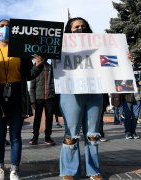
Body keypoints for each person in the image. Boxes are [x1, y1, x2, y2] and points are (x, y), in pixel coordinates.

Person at [0, 19, 34, 180]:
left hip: (17, 95)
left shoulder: (20, 49)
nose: (5, 28)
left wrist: (38, 64)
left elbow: (29, 74)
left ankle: (14, 170)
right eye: (1, 26)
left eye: (8, 27)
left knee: (16, 135)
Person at [59, 17, 103, 180]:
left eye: (83, 26)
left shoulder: (99, 46)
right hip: (70, 93)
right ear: (69, 31)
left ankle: (94, 170)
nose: (80, 29)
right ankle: (69, 171)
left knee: (93, 133)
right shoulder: (60, 48)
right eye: (76, 27)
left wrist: (125, 60)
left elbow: (112, 64)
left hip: (94, 93)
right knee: (71, 133)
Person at [29, 55, 56, 145]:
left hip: (50, 97)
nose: (36, 59)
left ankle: (48, 137)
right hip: (38, 98)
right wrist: (32, 100)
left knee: (49, 118)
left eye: (38, 57)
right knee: (37, 118)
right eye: (36, 58)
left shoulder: (51, 68)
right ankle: (35, 137)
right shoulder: (34, 69)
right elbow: (32, 87)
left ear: (43, 58)